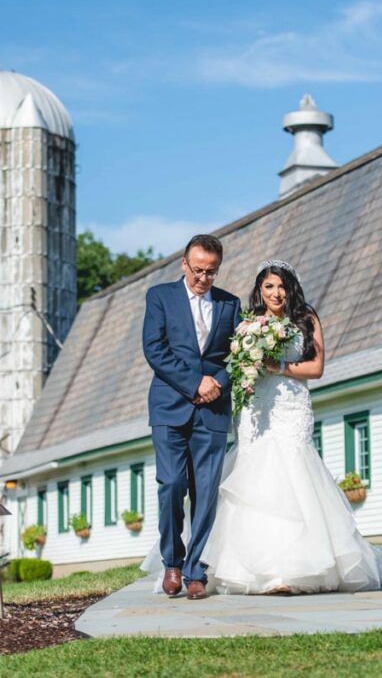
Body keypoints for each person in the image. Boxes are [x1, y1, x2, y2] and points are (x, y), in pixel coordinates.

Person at [142, 259, 382, 595]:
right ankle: (237, 567)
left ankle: (290, 570)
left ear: (291, 288)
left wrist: (278, 366)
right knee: (253, 483)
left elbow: (317, 367)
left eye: (282, 286)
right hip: (256, 408)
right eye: (269, 287)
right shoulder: (248, 323)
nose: (276, 293)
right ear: (260, 290)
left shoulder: (306, 318)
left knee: (292, 478)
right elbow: (229, 360)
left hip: (290, 405)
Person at [142, 234, 241, 600]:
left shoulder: (231, 305)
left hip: (213, 410)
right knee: (171, 484)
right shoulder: (160, 297)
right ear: (184, 264)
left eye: (211, 272)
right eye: (198, 270)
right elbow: (154, 349)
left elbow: (239, 354)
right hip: (170, 407)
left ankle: (197, 571)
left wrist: (218, 382)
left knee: (206, 492)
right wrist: (194, 383)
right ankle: (173, 561)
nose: (203, 278)